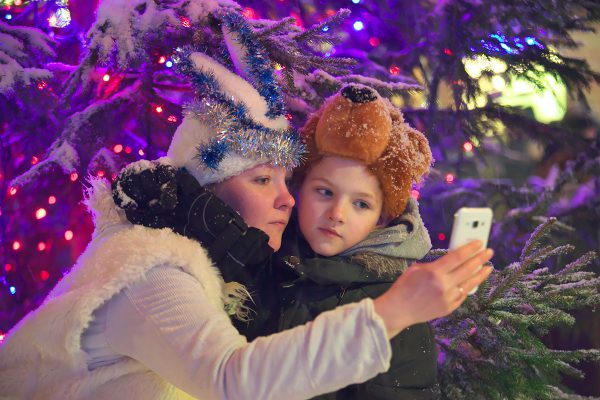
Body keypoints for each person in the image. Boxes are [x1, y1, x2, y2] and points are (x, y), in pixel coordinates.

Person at [0, 49, 493, 400]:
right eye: (261, 180)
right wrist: (392, 311)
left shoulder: (241, 274)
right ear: (208, 190)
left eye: (286, 179)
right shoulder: (152, 272)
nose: (286, 198)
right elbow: (235, 379)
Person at [267, 84, 445, 399]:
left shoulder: (396, 311)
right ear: (299, 186)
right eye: (324, 192)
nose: (337, 214)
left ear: (382, 218)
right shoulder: (264, 257)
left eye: (360, 204)